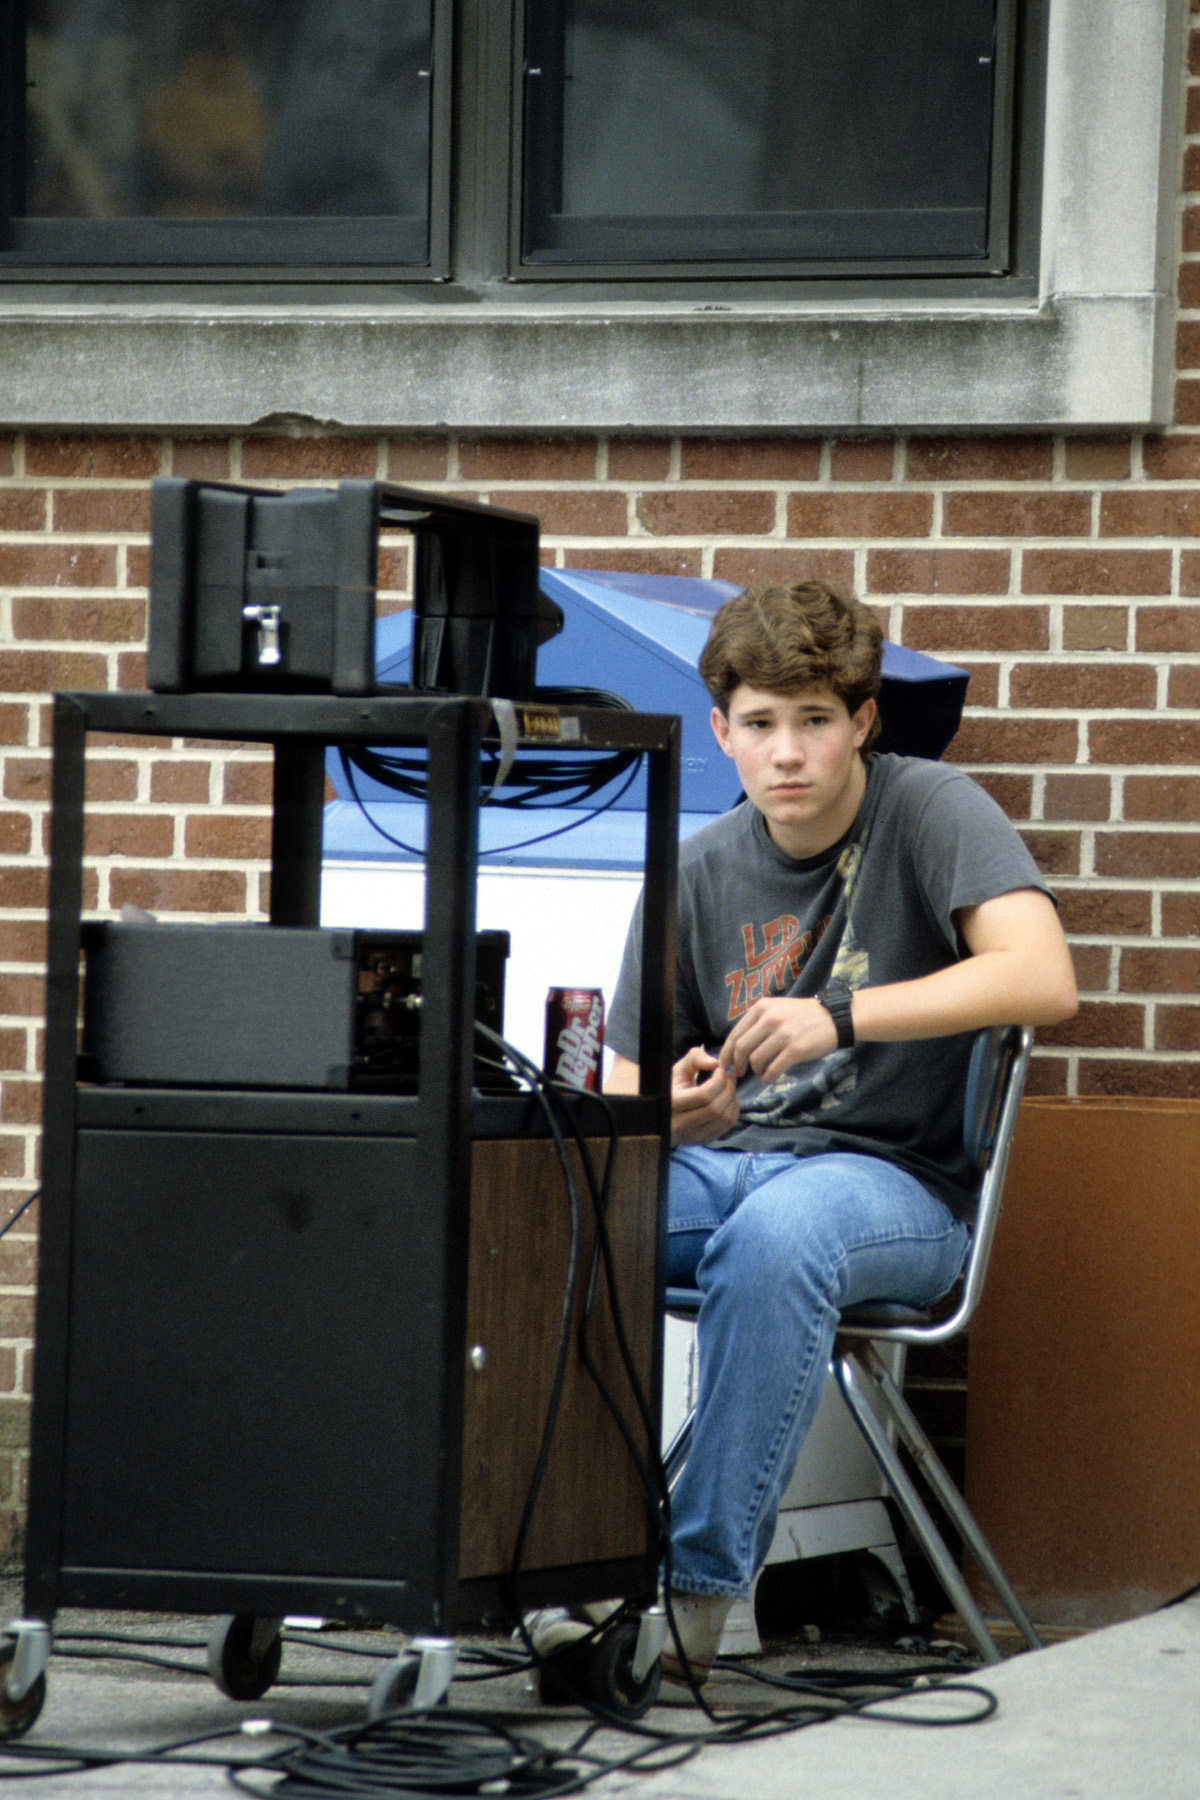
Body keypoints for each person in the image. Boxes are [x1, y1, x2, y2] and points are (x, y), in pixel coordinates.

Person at [600, 578, 1078, 1678]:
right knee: (547, 1206)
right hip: (728, 1168)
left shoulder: (931, 808)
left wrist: (841, 1016)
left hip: (894, 1191)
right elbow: (626, 1084)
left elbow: (1043, 978)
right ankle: (541, 1565)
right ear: (721, 731)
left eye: (814, 719)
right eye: (760, 723)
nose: (788, 753)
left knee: (779, 1238)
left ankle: (697, 1598)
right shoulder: (697, 866)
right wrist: (672, 1110)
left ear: (862, 721)